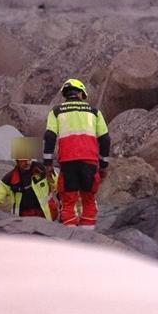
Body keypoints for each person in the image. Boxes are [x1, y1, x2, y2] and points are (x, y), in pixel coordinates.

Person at [43, 78, 111, 228]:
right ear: (80, 93)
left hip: (68, 162)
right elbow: (105, 139)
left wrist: (47, 164)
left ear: (65, 94)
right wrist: (104, 164)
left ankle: (71, 240)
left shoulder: (56, 112)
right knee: (89, 200)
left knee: (68, 202)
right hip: (90, 162)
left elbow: (49, 137)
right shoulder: (94, 112)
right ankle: (88, 238)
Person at [0, 137, 59, 220]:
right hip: (23, 220)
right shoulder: (9, 179)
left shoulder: (42, 169)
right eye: (24, 160)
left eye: (29, 159)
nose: (27, 162)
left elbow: (58, 184)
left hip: (46, 216)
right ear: (17, 161)